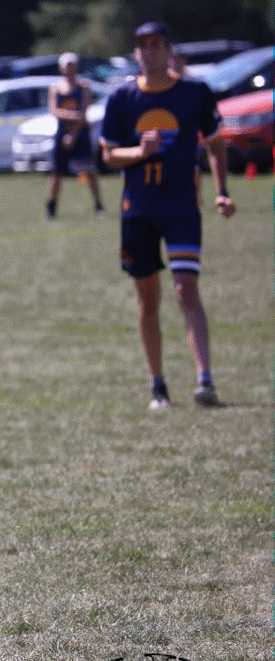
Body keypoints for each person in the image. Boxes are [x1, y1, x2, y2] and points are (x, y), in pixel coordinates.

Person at [98, 22, 235, 410]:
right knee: (148, 297)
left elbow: (215, 144)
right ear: (135, 53)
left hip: (181, 206)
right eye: (143, 46)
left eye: (157, 44)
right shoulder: (122, 98)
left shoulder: (193, 93)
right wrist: (138, 152)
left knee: (185, 288)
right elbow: (108, 155)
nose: (151, 51)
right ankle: (158, 384)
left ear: (169, 51)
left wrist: (222, 191)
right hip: (138, 209)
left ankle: (204, 379)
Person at [45, 51, 104, 218]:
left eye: (72, 65)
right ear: (61, 68)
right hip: (61, 133)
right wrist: (73, 115)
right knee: (56, 172)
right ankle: (51, 206)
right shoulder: (56, 88)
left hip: (80, 133)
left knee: (89, 171)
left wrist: (73, 134)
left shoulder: (84, 87)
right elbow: (54, 110)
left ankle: (98, 206)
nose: (69, 69)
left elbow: (84, 112)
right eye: (67, 66)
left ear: (77, 67)